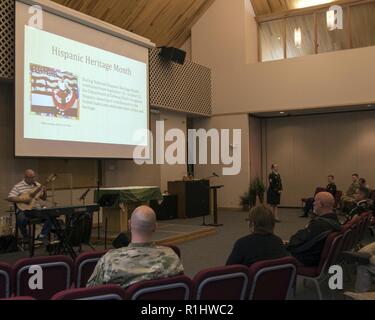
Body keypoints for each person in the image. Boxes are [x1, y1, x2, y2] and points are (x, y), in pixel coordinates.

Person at [87, 206, 184, 289]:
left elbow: (92, 292)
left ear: (129, 225)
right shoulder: (172, 257)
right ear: (155, 226)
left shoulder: (109, 260)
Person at [286, 192, 341, 267]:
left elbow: (298, 243)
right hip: (317, 256)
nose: (313, 203)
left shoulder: (318, 225)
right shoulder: (335, 221)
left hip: (306, 259)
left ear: (321, 204)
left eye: (315, 201)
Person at [7, 169, 52, 244]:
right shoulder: (18, 186)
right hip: (24, 210)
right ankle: (26, 237)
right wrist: (24, 200)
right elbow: (10, 198)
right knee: (20, 218)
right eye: (30, 177)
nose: (32, 179)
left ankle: (42, 235)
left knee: (50, 215)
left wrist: (45, 192)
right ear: (25, 177)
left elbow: (44, 198)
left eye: (33, 177)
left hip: (36, 209)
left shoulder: (37, 185)